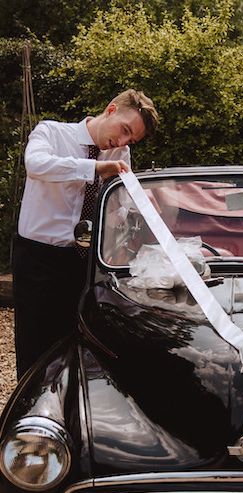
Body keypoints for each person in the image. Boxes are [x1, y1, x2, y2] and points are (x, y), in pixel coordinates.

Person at [12, 89, 158, 379]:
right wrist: (93, 168)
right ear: (111, 109)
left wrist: (142, 204)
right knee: (36, 349)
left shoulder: (120, 152)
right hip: (40, 259)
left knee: (83, 345)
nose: (123, 142)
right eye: (125, 130)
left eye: (132, 140)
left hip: (89, 263)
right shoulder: (51, 132)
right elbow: (36, 165)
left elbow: (119, 208)